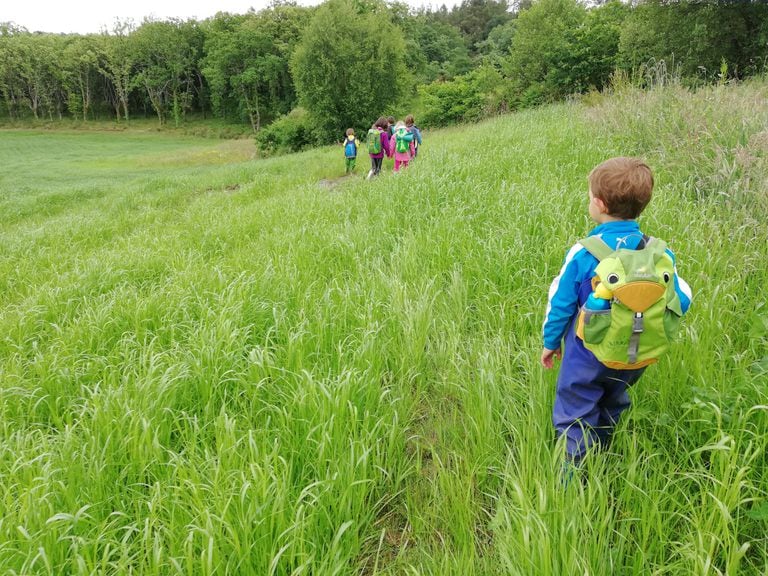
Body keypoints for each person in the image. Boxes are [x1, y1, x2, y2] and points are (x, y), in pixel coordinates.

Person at [541, 157, 692, 467]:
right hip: (636, 352)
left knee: (576, 408)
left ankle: (573, 478)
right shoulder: (658, 252)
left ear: (599, 204)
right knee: (615, 399)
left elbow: (561, 302)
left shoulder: (584, 252)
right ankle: (604, 449)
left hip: (587, 353)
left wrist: (550, 341)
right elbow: (682, 297)